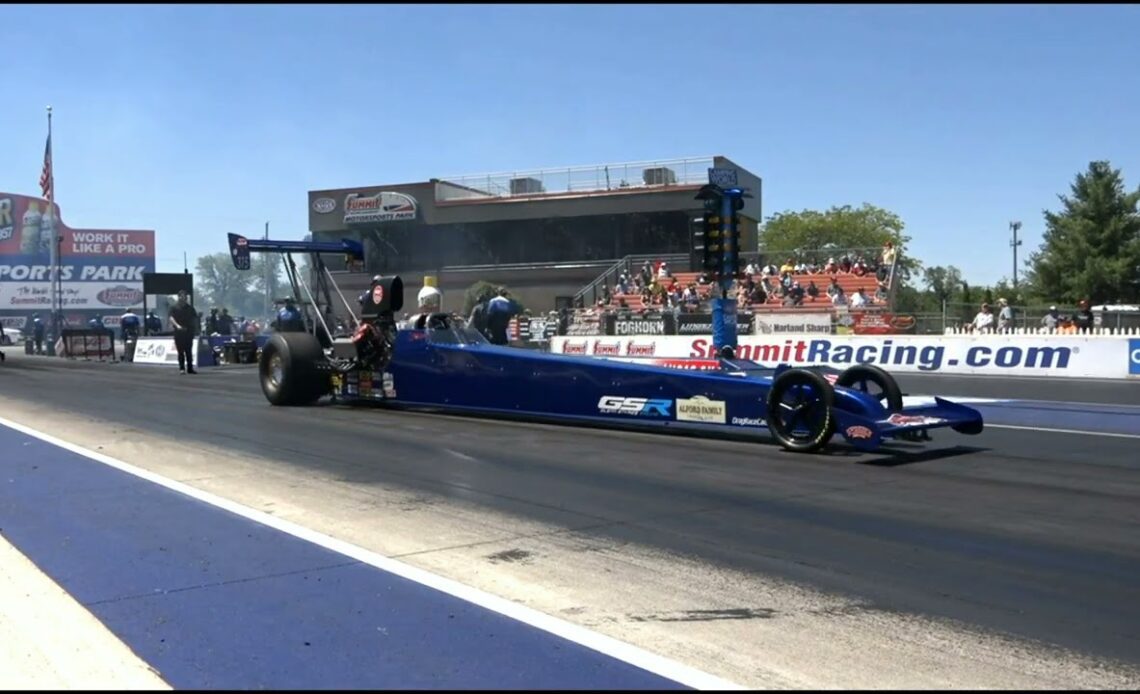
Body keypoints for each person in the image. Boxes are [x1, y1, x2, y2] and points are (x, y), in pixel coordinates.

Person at [168, 290, 199, 374]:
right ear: (179, 297)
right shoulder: (174, 307)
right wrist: (177, 326)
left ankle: (190, 368)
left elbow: (195, 319)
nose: (184, 297)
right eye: (182, 296)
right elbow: (171, 318)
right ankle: (182, 368)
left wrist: (196, 329)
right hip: (179, 332)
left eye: (185, 296)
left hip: (188, 331)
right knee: (180, 351)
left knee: (188, 350)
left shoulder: (190, 308)